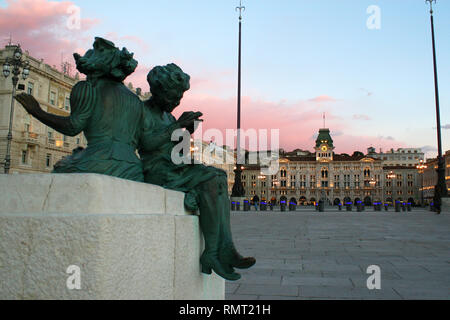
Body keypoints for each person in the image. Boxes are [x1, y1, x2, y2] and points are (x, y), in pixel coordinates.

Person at [139, 63, 255, 281]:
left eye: (180, 98)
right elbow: (146, 143)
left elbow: (179, 151)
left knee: (219, 175)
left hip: (174, 166)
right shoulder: (142, 111)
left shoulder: (169, 118)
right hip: (156, 170)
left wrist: (186, 131)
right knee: (212, 177)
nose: (176, 103)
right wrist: (177, 126)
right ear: (159, 90)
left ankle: (224, 249)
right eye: (173, 97)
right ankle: (212, 253)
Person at [15, 38, 145, 182]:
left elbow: (73, 127)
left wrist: (37, 111)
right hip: (134, 167)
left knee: (60, 169)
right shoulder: (135, 100)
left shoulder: (88, 88)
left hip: (99, 162)